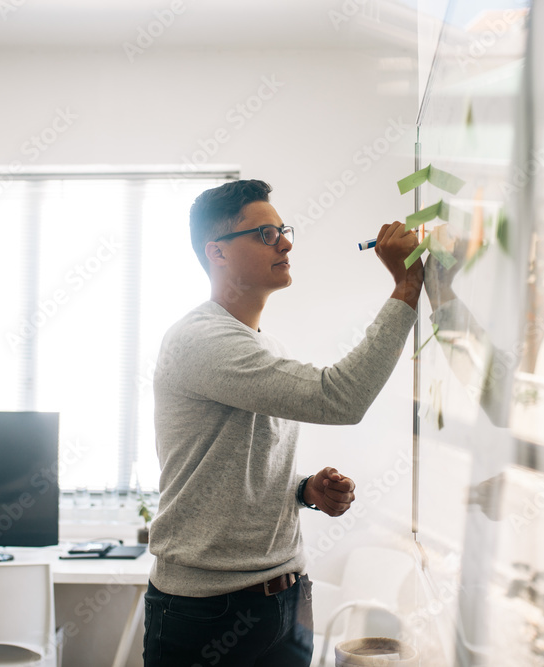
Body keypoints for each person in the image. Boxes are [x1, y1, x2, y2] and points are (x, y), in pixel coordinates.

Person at [143, 179, 424, 666]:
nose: (286, 243)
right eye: (265, 234)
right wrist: (405, 289)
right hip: (210, 611)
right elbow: (340, 399)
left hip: (288, 599)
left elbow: (232, 466)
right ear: (218, 253)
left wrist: (302, 489)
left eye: (283, 231)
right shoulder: (200, 341)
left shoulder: (264, 347)